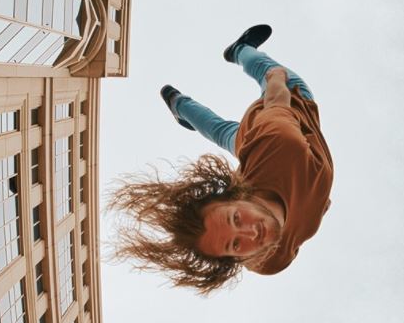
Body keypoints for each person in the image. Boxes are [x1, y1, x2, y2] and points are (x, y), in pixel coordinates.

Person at [109, 24, 333, 294]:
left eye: (236, 218)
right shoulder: (268, 262)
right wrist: (318, 203)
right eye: (235, 245)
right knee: (220, 131)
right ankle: (179, 106)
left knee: (268, 77)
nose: (251, 234)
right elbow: (302, 224)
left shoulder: (281, 142)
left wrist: (274, 77)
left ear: (234, 195)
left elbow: (276, 99)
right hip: (255, 144)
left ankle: (240, 51)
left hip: (286, 112)